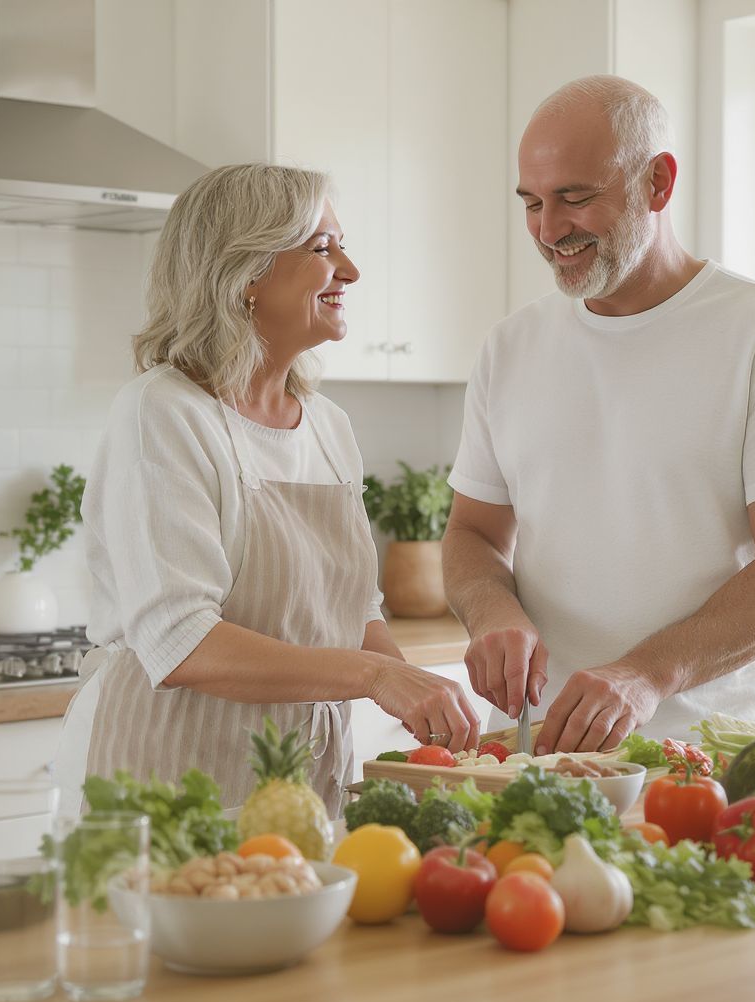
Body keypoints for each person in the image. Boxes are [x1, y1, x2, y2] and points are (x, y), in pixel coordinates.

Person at [442, 75, 755, 755]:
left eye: (576, 198)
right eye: (532, 203)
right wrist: (492, 612)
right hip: (534, 751)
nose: (549, 230)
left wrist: (645, 675)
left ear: (658, 184)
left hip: (708, 756)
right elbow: (473, 534)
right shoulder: (510, 347)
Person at [56, 163, 479, 817]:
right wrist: (378, 677)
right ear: (245, 272)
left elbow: (356, 612)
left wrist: (423, 702)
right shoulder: (164, 414)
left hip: (299, 792)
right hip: (168, 795)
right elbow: (183, 640)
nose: (350, 270)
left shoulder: (329, 426)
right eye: (321, 248)